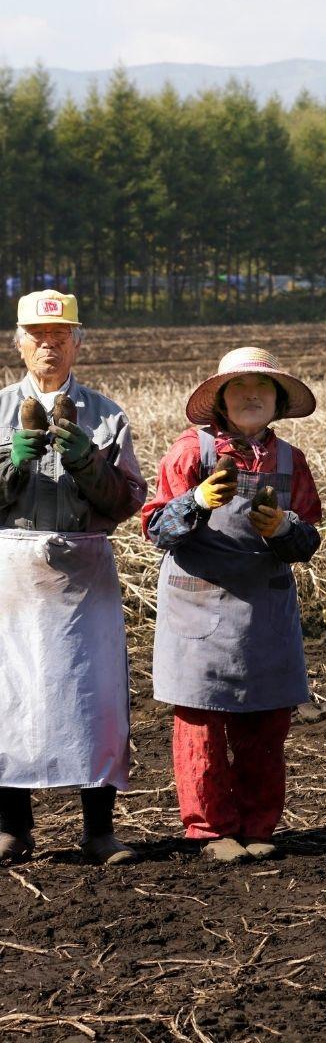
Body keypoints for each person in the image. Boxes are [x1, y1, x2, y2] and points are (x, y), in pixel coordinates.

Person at [143, 348, 322, 863]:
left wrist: (284, 528)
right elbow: (156, 528)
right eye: (239, 388)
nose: (251, 396)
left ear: (277, 402)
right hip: (198, 608)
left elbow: (308, 539)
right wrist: (197, 501)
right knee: (201, 722)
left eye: (263, 389)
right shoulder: (189, 451)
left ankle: (258, 824)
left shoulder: (290, 461)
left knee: (267, 722)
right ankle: (210, 830)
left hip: (266, 609)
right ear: (220, 398)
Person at [0, 290, 147, 865]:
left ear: (78, 343)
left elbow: (126, 500)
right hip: (12, 570)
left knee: (95, 695)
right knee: (9, 696)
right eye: (37, 336)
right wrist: (11, 463)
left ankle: (99, 830)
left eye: (60, 337)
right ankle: (13, 827)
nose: (48, 345)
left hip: (85, 572)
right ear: (17, 342)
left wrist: (88, 461)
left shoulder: (108, 415)